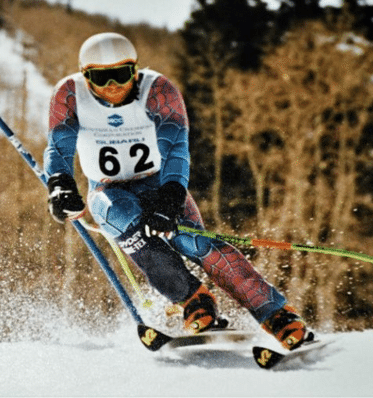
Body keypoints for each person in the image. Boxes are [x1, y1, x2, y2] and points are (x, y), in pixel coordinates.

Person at [43, 32, 310, 350]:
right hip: (108, 191)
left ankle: (277, 315)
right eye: (102, 78)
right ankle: (194, 300)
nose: (113, 85)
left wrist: (170, 195)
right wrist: (60, 184)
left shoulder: (157, 90)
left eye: (122, 74)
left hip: (159, 181)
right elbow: (58, 149)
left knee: (194, 242)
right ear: (86, 76)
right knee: (123, 217)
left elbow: (176, 150)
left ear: (136, 70)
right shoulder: (70, 94)